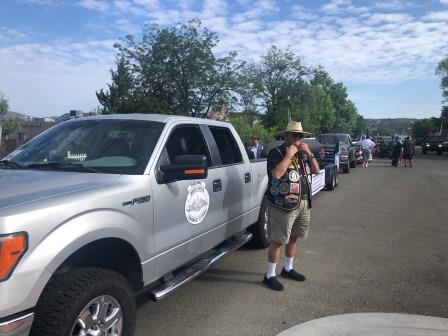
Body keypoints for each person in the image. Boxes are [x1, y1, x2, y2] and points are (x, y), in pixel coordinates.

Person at [263, 121, 320, 291]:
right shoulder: (277, 152)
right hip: (283, 204)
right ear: (286, 135)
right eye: (295, 135)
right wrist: (289, 154)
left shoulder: (303, 153)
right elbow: (277, 174)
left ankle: (288, 269)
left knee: (294, 237)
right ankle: (269, 275)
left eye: (301, 136)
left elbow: (317, 170)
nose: (298, 139)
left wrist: (309, 154)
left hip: (303, 201)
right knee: (278, 240)